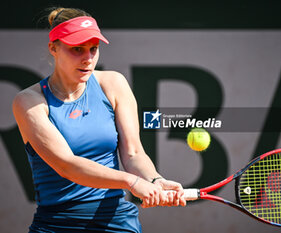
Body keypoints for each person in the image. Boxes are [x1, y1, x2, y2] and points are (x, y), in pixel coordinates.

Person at [12, 7, 186, 233]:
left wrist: (154, 180)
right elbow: (67, 165)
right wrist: (132, 183)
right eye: (77, 49)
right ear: (53, 48)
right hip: (56, 225)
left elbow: (134, 154)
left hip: (117, 221)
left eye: (93, 49)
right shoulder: (29, 101)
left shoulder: (113, 84)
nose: (87, 58)